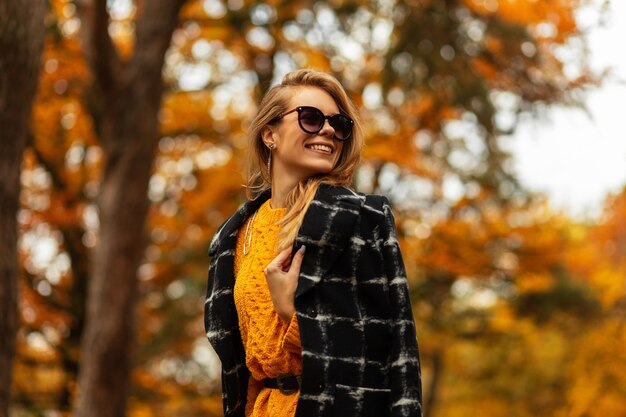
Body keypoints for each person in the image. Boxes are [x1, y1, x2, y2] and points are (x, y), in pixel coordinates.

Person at [204, 69, 422, 417]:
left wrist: (293, 311)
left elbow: (394, 351)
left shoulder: (361, 218)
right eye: (310, 117)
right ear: (269, 133)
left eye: (339, 123)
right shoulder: (235, 235)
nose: (328, 130)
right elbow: (237, 363)